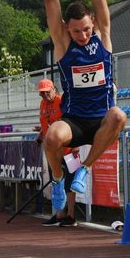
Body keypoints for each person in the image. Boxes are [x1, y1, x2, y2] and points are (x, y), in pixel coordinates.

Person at [28, 0, 127, 212]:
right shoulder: (63, 43)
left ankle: (83, 169)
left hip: (100, 119)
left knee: (119, 116)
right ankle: (58, 179)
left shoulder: (103, 35)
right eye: (76, 31)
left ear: (93, 23)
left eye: (86, 29)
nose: (82, 36)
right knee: (52, 138)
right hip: (73, 119)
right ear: (66, 30)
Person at [33, 79, 77, 227]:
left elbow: (72, 121)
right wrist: (40, 134)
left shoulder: (62, 101)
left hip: (68, 148)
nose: (45, 96)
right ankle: (59, 214)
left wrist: (76, 144)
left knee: (70, 183)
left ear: (53, 89)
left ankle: (71, 216)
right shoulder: (43, 104)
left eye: (47, 93)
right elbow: (47, 123)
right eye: (42, 94)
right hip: (53, 150)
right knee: (56, 182)